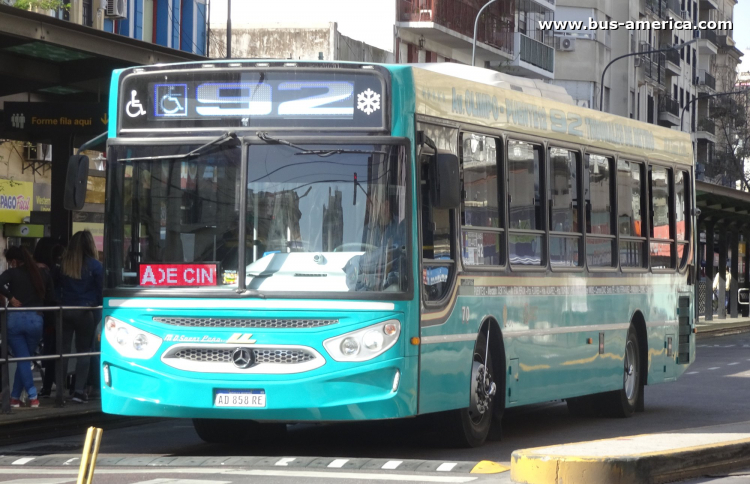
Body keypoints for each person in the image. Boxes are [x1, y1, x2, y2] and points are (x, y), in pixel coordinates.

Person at [0, 246, 55, 408]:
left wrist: (10, 297)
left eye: (10, 262)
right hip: (36, 319)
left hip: (15, 320)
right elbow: (51, 296)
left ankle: (32, 395)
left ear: (14, 261)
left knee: (22, 359)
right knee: (25, 358)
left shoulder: (12, 273)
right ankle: (15, 397)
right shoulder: (42, 273)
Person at [59, 231, 103, 403]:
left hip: (64, 311)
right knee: (84, 352)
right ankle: (78, 392)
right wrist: (93, 304)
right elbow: (100, 292)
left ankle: (60, 392)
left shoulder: (64, 264)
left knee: (61, 353)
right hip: (85, 312)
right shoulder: (95, 266)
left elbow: (55, 287)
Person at [34, 237, 63, 398]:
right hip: (52, 315)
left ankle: (45, 387)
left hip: (38, 313)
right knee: (54, 350)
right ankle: (49, 386)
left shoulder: (33, 268)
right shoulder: (53, 270)